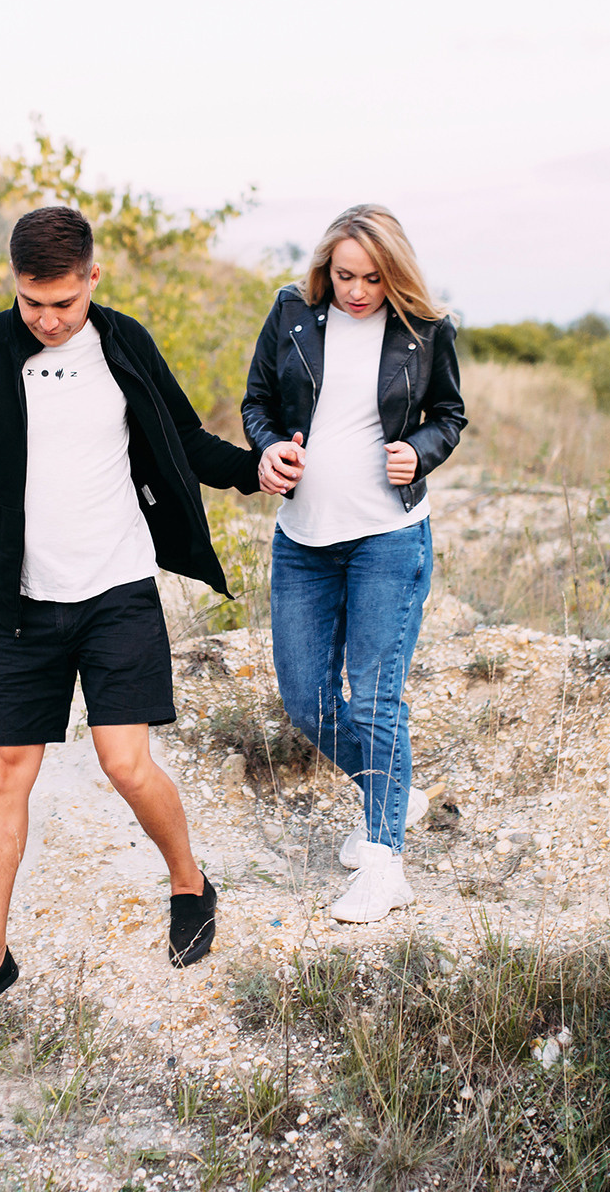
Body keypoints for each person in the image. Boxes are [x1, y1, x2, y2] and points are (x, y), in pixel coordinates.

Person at [0, 205, 262, 1041]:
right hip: (22, 607)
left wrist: (254, 471)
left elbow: (185, 439)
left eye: (64, 301)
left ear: (93, 277)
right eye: (32, 302)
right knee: (1, 775)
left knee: (125, 762)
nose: (50, 319)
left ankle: (189, 882)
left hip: (116, 591)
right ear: (13, 284)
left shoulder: (121, 341)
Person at [240, 205, 466, 924]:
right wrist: (269, 449)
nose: (358, 290)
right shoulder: (292, 312)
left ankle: (383, 862)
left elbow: (448, 415)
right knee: (307, 700)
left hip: (387, 537)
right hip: (303, 541)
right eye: (345, 275)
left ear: (393, 273)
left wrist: (420, 451)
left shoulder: (426, 329)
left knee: (374, 700)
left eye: (373, 277)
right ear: (325, 268)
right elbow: (258, 404)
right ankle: (391, 791)